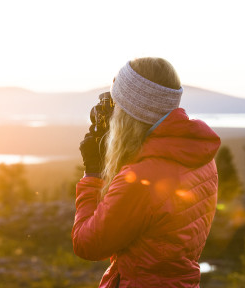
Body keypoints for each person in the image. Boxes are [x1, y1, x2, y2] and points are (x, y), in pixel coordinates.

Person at [73, 57, 221, 287]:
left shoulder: (140, 180)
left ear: (130, 113)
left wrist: (93, 175)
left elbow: (88, 244)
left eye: (118, 105)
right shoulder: (200, 157)